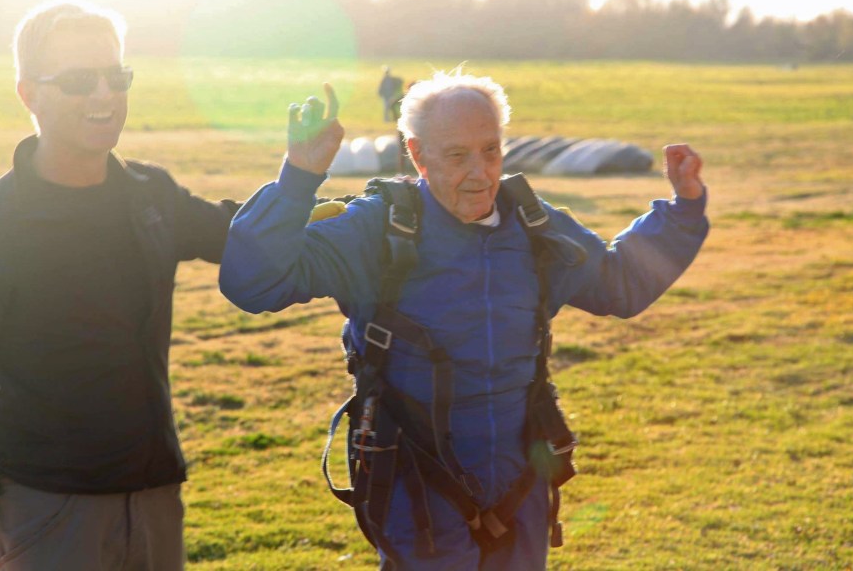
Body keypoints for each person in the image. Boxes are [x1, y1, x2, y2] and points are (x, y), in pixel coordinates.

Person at [219, 70, 709, 570]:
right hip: (415, 482)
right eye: (457, 156)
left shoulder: (533, 226)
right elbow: (254, 283)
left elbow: (619, 284)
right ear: (418, 154)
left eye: (490, 151)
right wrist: (298, 179)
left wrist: (684, 209)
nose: (480, 173)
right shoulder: (377, 230)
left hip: (522, 479)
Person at [0, 0, 243, 570]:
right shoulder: (4, 219)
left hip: (155, 493)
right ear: (29, 94)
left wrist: (307, 184)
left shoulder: (150, 193)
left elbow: (240, 235)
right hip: (48, 506)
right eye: (79, 81)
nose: (104, 95)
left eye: (117, 76)